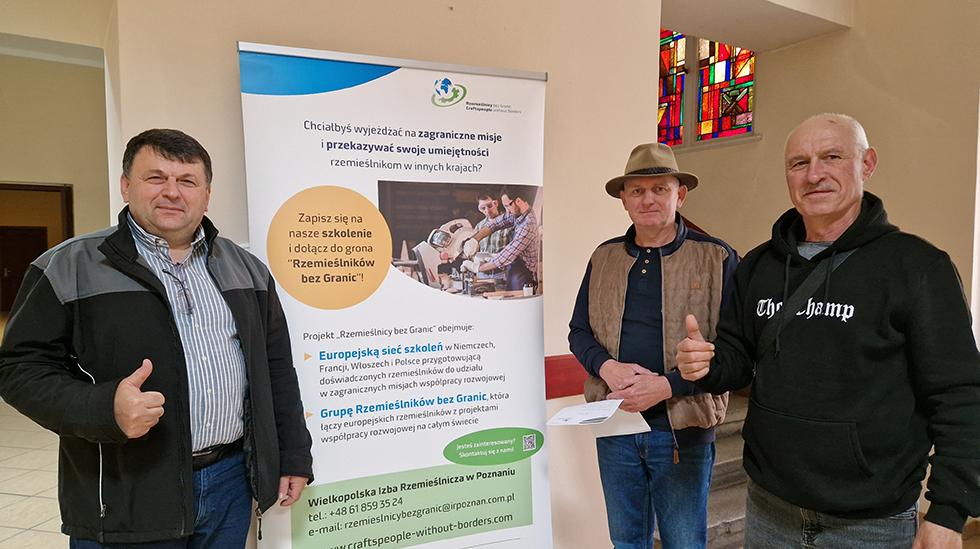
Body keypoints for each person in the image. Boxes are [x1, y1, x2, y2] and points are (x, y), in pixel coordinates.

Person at [677, 113, 980, 548]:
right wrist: (706, 364)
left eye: (832, 157)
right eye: (799, 163)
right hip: (768, 508)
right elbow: (738, 361)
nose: (814, 174)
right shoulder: (760, 266)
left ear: (867, 163)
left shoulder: (917, 268)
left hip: (871, 522)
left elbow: (960, 394)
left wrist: (950, 511)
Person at [0, 129, 314, 547]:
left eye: (187, 181)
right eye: (156, 178)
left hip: (230, 483)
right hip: (126, 487)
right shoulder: (66, 266)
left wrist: (292, 455)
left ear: (206, 194)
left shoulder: (248, 270)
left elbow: (276, 370)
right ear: (126, 186)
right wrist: (103, 407)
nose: (172, 192)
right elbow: (19, 369)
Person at [568, 142, 738, 548]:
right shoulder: (603, 257)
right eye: (638, 190)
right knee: (627, 542)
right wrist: (607, 368)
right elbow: (578, 331)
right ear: (624, 199)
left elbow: (736, 351)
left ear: (680, 195)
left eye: (660, 188)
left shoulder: (717, 258)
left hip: (684, 430)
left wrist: (667, 386)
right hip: (616, 426)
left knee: (683, 542)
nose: (648, 199)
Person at [464, 186, 539, 291]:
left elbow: (507, 255)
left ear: (517, 201)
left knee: (514, 301)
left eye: (507, 206)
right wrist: (475, 239)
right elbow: (495, 224)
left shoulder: (528, 224)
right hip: (513, 265)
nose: (507, 211)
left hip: (524, 271)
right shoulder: (517, 213)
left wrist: (478, 268)